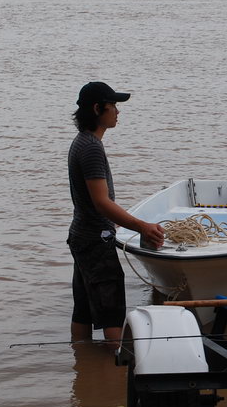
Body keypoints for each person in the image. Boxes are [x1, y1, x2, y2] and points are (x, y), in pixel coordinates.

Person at [67, 81, 165, 351]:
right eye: (113, 106)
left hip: (80, 236)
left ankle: (84, 365)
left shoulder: (81, 143)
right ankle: (115, 370)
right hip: (96, 240)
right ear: (98, 109)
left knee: (84, 309)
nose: (118, 112)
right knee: (111, 310)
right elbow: (102, 203)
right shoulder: (91, 148)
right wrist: (142, 226)